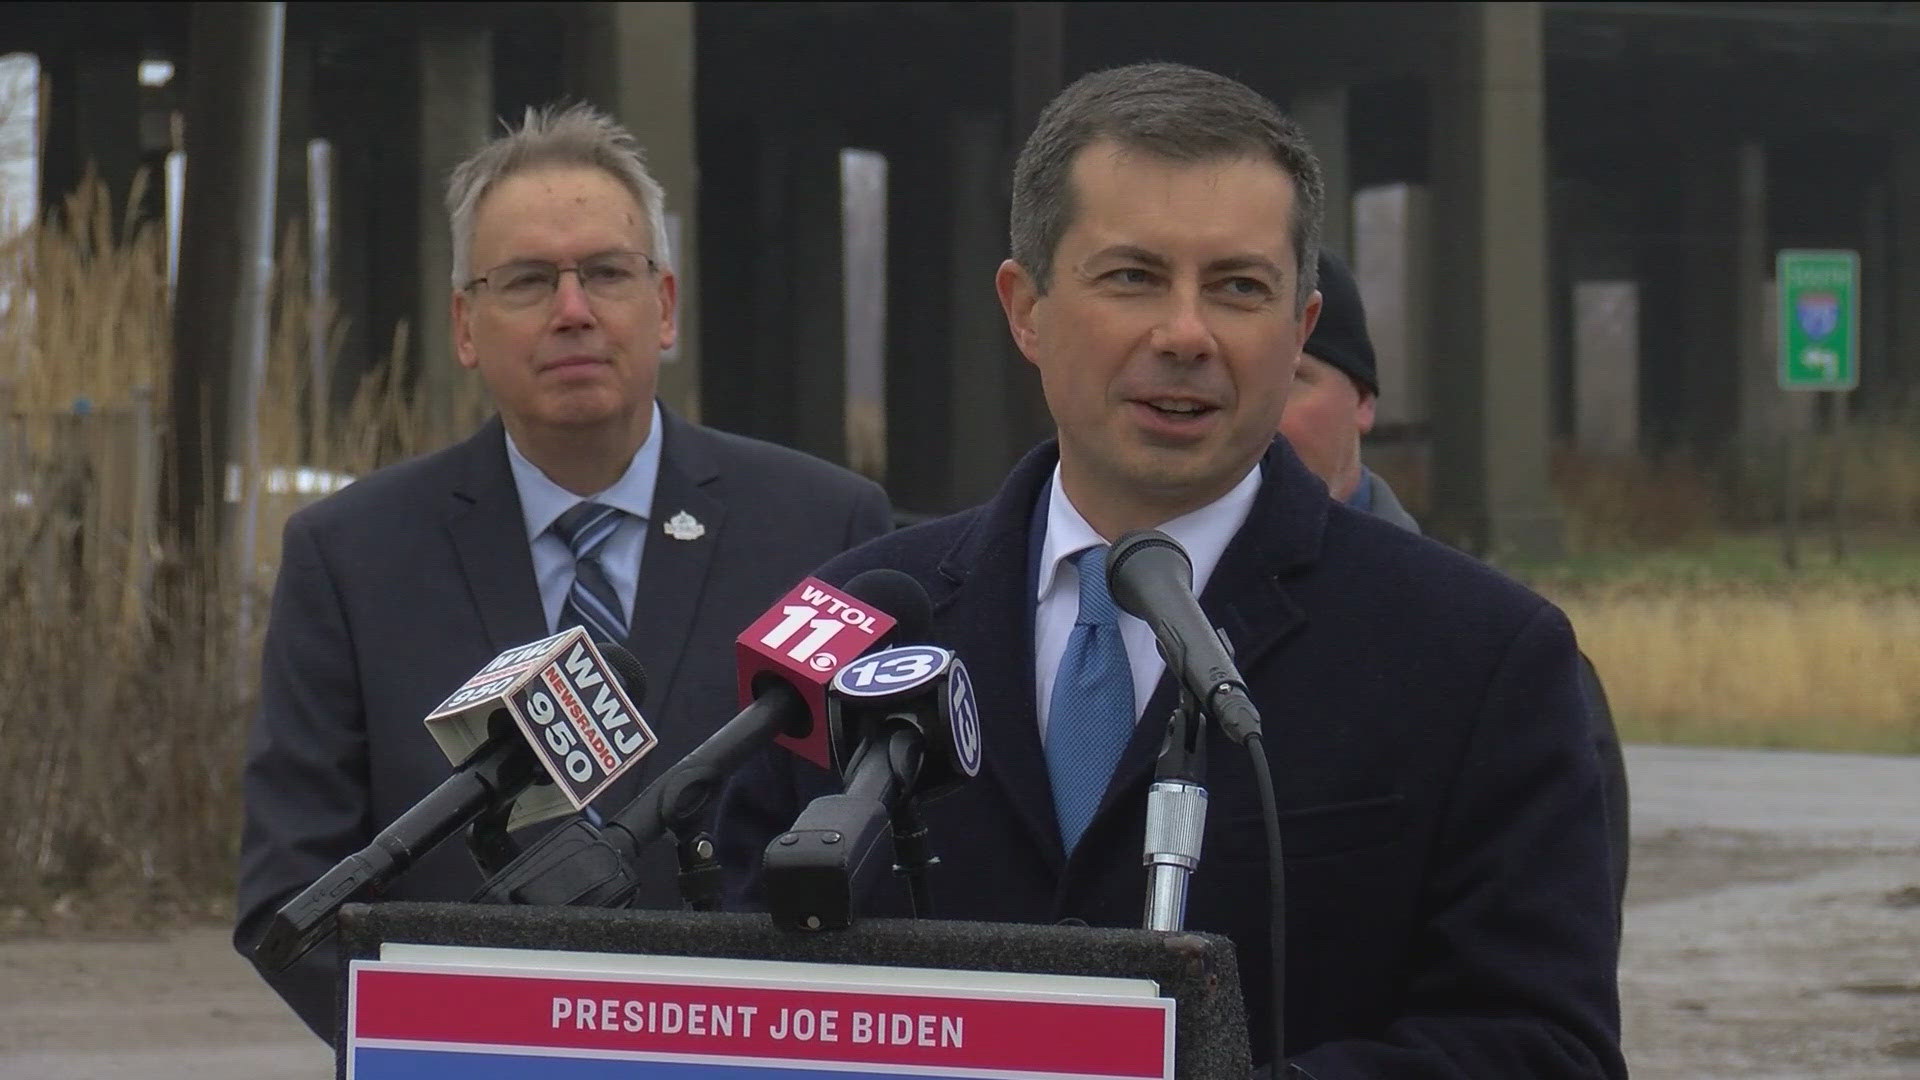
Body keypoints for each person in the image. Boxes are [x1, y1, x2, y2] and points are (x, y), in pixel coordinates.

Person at [716, 63, 1624, 1077]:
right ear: (1025, 308)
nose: (1185, 335)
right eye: (1132, 277)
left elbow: (1546, 1048)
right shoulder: (854, 626)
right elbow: (738, 992)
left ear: (1301, 330)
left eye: (1238, 288)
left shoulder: (1479, 658)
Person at [233, 103, 893, 1042]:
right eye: (530, 280)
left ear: (663, 306)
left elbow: (884, 854)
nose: (573, 310)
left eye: (607, 273)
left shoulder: (823, 527)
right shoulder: (351, 555)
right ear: (466, 324)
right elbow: (286, 898)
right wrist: (460, 1051)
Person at [1281, 250, 1631, 909]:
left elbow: (1540, 982)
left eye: (1292, 377)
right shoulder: (1116, 624)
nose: (1256, 412)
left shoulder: (1500, 660)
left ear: (1363, 399)